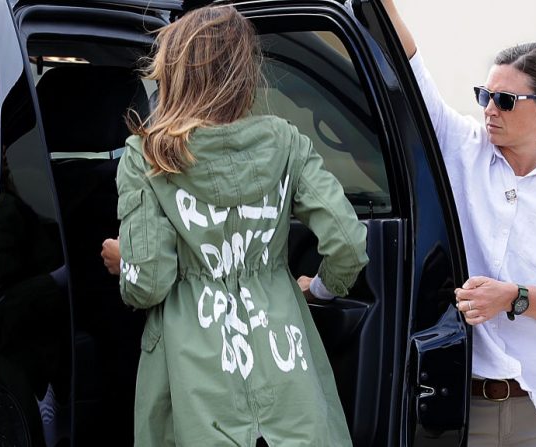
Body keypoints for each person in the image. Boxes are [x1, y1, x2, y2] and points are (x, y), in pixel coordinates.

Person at [99, 5, 368, 446]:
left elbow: (147, 282)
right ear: (244, 72)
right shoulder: (287, 142)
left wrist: (125, 260)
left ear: (176, 71)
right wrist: (319, 289)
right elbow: (350, 248)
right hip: (288, 375)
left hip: (195, 385)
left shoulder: (147, 156)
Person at [382, 1, 536, 445]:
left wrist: (514, 297)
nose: (490, 108)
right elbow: (411, 69)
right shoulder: (463, 147)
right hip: (466, 414)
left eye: (505, 100)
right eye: (484, 95)